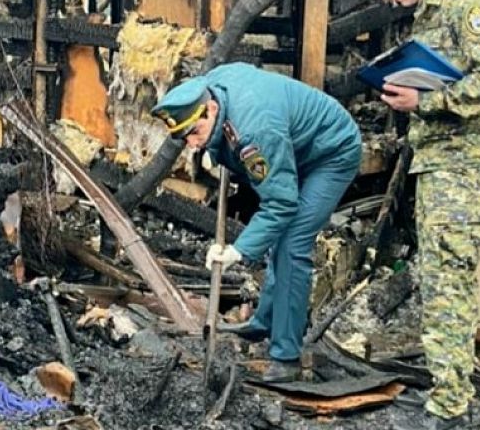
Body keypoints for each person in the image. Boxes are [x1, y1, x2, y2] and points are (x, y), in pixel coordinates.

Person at [363, 0, 480, 428]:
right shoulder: (431, 8)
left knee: (447, 278)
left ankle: (450, 409)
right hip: (443, 161)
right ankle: (446, 393)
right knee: (438, 275)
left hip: (467, 164)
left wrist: (426, 101)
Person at [151, 62, 361, 383]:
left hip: (330, 153)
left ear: (211, 108)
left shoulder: (255, 131)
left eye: (194, 133)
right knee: (277, 236)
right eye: (184, 137)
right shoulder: (212, 87)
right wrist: (216, 148)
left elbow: (281, 202)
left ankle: (286, 357)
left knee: (291, 245)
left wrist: (239, 250)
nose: (191, 144)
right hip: (292, 146)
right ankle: (264, 322)